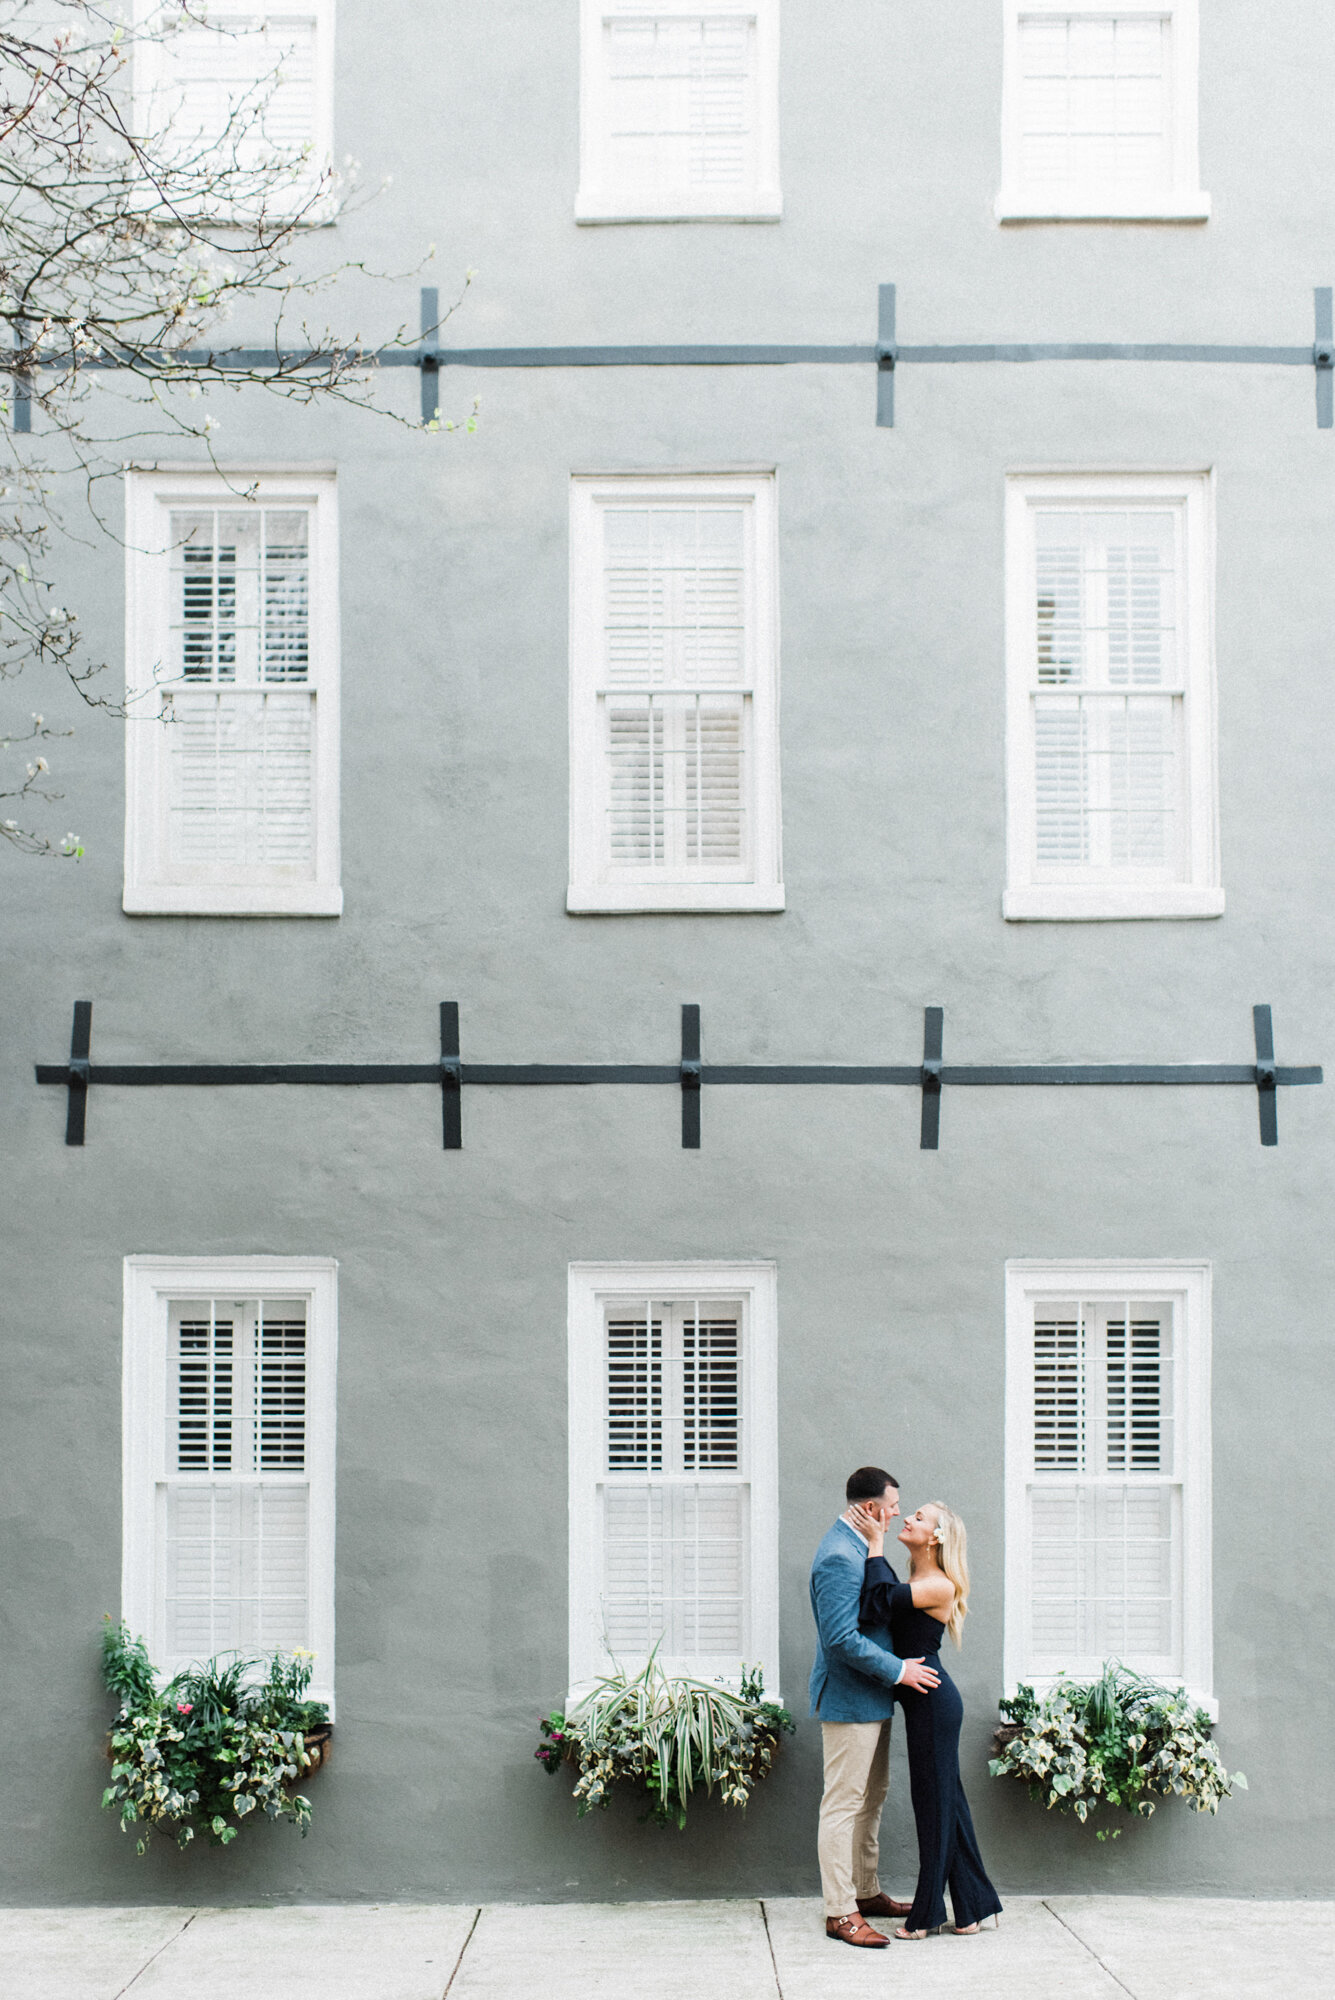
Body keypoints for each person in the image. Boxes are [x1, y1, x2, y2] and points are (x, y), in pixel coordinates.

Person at [849, 1497, 1003, 1940]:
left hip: (934, 1704)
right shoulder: (918, 1576)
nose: (907, 1519)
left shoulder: (939, 1584)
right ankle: (974, 1908)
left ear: (935, 1537)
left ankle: (929, 1912)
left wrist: (875, 1543)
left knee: (932, 1806)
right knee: (947, 1803)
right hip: (923, 1703)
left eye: (918, 1517)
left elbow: (875, 1604)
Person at [808, 1467, 942, 1948]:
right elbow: (841, 1640)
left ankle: (864, 1893)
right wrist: (900, 1671)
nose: (897, 1513)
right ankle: (840, 1912)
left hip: (874, 1699)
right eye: (892, 1506)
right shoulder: (838, 1557)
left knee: (871, 1797)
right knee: (843, 1805)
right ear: (870, 1509)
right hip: (849, 1701)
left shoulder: (861, 1547)